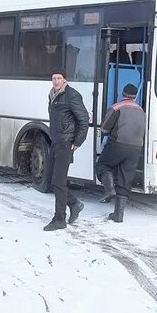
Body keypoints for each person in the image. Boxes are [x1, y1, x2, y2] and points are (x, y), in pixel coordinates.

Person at [43, 68, 89, 231]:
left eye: (59, 78)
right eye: (53, 78)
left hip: (66, 143)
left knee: (59, 181)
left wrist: (77, 141)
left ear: (65, 80)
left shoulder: (72, 95)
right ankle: (74, 203)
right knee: (51, 179)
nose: (56, 81)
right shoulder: (53, 95)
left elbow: (84, 119)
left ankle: (59, 219)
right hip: (55, 142)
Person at [96, 83, 145, 222]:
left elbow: (105, 128)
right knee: (126, 179)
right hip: (136, 148)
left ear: (122, 94)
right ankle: (118, 214)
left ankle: (109, 189)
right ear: (135, 97)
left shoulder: (116, 107)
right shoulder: (141, 111)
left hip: (118, 145)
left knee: (102, 165)